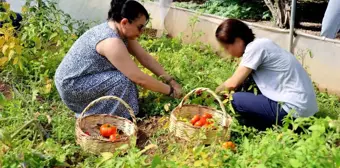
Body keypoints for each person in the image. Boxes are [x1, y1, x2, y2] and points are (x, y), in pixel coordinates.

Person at [55, 0, 183, 119]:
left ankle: (119, 110)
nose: (142, 31)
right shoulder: (111, 42)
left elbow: (145, 58)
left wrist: (170, 80)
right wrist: (170, 91)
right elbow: (139, 78)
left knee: (124, 77)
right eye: (140, 27)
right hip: (72, 87)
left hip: (80, 79)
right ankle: (112, 118)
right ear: (124, 22)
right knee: (123, 80)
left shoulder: (119, 31)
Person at [214, 19, 318, 130]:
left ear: (238, 41)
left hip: (293, 109)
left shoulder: (255, 48)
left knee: (234, 99)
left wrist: (213, 95)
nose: (227, 52)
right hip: (306, 109)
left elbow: (233, 84)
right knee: (245, 89)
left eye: (227, 47)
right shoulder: (262, 44)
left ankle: (259, 127)